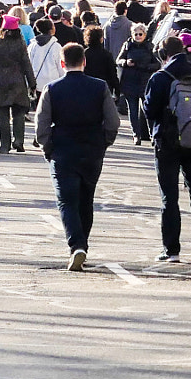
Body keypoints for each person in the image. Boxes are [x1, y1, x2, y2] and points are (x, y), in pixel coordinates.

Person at [35, 43, 121, 271]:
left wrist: (48, 147)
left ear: (62, 63)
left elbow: (41, 124)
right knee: (86, 198)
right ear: (84, 62)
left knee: (66, 201)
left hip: (63, 149)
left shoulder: (52, 89)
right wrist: (104, 142)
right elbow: (113, 122)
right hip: (92, 148)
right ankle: (83, 243)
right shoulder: (100, 87)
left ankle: (77, 245)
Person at [143, 40, 191, 262]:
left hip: (167, 142)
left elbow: (150, 108)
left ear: (164, 53)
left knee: (169, 197)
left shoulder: (160, 78)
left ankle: (171, 250)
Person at [0, 22, 36, 153]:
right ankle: (18, 141)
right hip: (18, 82)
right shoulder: (20, 44)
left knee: (3, 115)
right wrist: (32, 83)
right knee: (19, 113)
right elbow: (26, 64)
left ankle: (4, 145)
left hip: (1, 82)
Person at [118, 24, 161, 145]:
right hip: (130, 81)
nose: (138, 36)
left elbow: (157, 64)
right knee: (132, 110)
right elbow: (119, 60)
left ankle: (152, 134)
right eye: (135, 34)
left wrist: (147, 66)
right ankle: (136, 135)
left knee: (147, 109)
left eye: (140, 34)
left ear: (145, 35)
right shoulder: (127, 46)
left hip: (145, 82)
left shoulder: (149, 47)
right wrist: (126, 62)